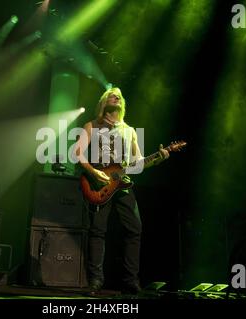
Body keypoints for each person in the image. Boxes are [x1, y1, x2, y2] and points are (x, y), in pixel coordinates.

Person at [74, 87, 169, 295]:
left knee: (134, 228)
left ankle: (130, 281)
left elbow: (139, 163)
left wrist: (158, 158)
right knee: (97, 231)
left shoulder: (129, 130)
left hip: (123, 183)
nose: (114, 95)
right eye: (110, 94)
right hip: (99, 183)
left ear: (122, 103)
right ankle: (95, 281)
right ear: (103, 102)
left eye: (118, 95)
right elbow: (77, 153)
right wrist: (92, 171)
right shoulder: (91, 126)